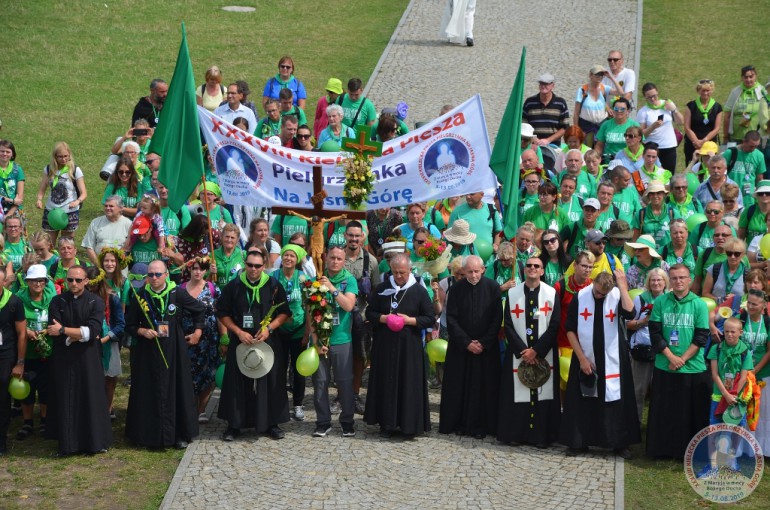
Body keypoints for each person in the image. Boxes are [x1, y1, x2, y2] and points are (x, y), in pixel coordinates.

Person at [125, 260, 205, 449]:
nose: (154, 278)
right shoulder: (140, 295)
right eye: (150, 275)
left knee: (176, 389)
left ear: (166, 275)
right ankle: (149, 436)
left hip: (174, 350)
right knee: (149, 390)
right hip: (148, 352)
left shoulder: (177, 293)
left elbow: (199, 310)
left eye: (158, 274)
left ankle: (178, 434)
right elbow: (129, 324)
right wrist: (141, 331)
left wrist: (197, 332)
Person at [561, 271, 639, 458]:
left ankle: (618, 442)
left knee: (614, 400)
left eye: (602, 294)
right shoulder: (580, 297)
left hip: (612, 359)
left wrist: (622, 286)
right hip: (584, 356)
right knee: (583, 400)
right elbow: (570, 329)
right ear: (593, 283)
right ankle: (579, 441)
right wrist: (582, 359)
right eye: (596, 291)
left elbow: (630, 312)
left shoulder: (616, 294)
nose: (598, 296)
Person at [364, 254, 434, 438]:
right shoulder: (382, 288)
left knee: (407, 384)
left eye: (402, 272)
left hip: (409, 347)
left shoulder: (419, 291)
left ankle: (408, 425)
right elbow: (370, 312)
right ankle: (387, 423)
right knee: (386, 383)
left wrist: (410, 320)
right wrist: (383, 318)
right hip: (385, 346)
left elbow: (429, 318)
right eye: (395, 272)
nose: (398, 276)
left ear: (410, 270)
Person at [46, 265, 112, 456]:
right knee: (66, 398)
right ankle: (68, 443)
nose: (73, 284)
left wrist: (64, 330)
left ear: (85, 281)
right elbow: (53, 330)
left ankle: (94, 442)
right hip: (64, 359)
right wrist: (74, 334)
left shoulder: (96, 302)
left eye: (77, 280)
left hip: (88, 359)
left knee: (90, 397)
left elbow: (92, 331)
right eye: (69, 280)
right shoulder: (57, 301)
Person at [647, 264, 710, 459]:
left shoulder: (699, 304)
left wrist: (681, 359)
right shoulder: (660, 302)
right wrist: (670, 357)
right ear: (669, 281)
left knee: (690, 414)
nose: (678, 281)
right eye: (674, 278)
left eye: (682, 277)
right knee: (666, 412)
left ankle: (691, 453)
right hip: (665, 366)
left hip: (692, 368)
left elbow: (701, 337)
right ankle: (663, 451)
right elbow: (655, 333)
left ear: (690, 279)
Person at [498, 256, 560, 448]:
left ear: (542, 271)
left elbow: (555, 324)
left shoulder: (551, 293)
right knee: (518, 395)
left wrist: (537, 351)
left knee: (544, 395)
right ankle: (516, 433)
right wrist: (523, 351)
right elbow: (507, 325)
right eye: (529, 266)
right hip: (519, 353)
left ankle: (542, 436)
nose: (532, 268)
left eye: (537, 266)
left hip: (544, 353)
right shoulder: (512, 293)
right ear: (524, 270)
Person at [439, 255, 502, 439]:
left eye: (477, 271)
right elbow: (451, 318)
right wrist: (466, 342)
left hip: (486, 349)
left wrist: (484, 342)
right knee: (459, 386)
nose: (473, 275)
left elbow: (497, 318)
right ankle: (458, 423)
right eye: (469, 272)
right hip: (462, 348)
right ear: (463, 272)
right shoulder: (456, 289)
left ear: (483, 269)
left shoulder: (492, 288)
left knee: (486, 387)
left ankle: (487, 424)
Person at [309, 245, 358, 438]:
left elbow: (349, 305)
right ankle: (323, 422)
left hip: (342, 339)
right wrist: (314, 340)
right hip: (321, 340)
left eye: (339, 258)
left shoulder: (349, 280)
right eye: (332, 258)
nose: (335, 261)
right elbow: (310, 313)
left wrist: (332, 289)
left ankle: (347, 421)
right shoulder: (316, 281)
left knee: (345, 382)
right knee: (320, 382)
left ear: (344, 260)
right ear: (326, 258)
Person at [343, 221, 380, 414]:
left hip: (362, 317)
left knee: (359, 358)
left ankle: (355, 395)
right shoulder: (334, 257)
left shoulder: (371, 261)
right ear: (345, 236)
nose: (354, 239)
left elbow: (376, 290)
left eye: (357, 236)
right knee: (339, 359)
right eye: (351, 235)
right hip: (338, 318)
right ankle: (341, 395)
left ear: (363, 237)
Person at [180, 257, 222, 424]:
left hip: (209, 338)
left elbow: (220, 314)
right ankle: (189, 408)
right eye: (195, 268)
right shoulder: (180, 289)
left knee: (207, 373)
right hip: (186, 337)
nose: (198, 272)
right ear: (189, 269)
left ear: (206, 271)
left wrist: (224, 337)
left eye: (201, 269)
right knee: (188, 373)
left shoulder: (213, 289)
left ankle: (201, 409)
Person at [15, 264, 55, 441]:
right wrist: (27, 332)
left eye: (40, 280)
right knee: (28, 387)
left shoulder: (53, 297)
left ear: (46, 282)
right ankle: (27, 422)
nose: (37, 284)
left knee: (46, 386)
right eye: (33, 280)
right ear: (27, 282)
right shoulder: (18, 299)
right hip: (27, 351)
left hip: (48, 350)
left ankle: (45, 420)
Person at [269, 244, 308, 421]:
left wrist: (308, 331)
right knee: (279, 368)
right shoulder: (273, 276)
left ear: (297, 259)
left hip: (298, 329)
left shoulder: (304, 278)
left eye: (292, 256)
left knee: (299, 369)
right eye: (285, 255)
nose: (288, 258)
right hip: (278, 329)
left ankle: (298, 404)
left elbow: (310, 306)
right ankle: (279, 404)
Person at [626, 268, 668, 424]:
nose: (656, 283)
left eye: (659, 280)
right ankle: (634, 425)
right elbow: (628, 325)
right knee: (638, 391)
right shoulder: (640, 299)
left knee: (659, 393)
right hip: (642, 350)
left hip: (662, 351)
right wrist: (643, 322)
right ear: (648, 283)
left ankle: (656, 426)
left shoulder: (670, 299)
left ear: (665, 283)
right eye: (653, 280)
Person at [84, 266, 124, 421]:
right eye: (89, 286)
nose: (91, 289)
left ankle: (107, 409)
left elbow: (120, 324)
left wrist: (106, 338)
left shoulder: (112, 298)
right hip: (88, 342)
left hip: (107, 341)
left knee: (109, 378)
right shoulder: (83, 297)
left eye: (94, 286)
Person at [35, 141, 87, 244]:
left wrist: (78, 201)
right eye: (60, 157)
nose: (63, 159)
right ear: (55, 157)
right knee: (48, 244)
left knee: (66, 244)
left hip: (69, 212)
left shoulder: (75, 170)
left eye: (66, 156)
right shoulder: (49, 169)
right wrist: (39, 199)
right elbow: (42, 188)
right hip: (51, 211)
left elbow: (84, 192)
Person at [740, 289, 770, 453]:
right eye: (749, 303)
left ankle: (761, 449)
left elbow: (769, 351)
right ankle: (742, 449)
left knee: (762, 412)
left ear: (763, 305)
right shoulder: (741, 319)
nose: (750, 306)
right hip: (742, 374)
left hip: (763, 373)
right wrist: (746, 371)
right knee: (742, 411)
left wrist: (755, 369)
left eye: (755, 304)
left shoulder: (768, 322)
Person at [0, 269, 26, 455]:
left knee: (2, 394)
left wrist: (20, 362)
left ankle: (1, 440)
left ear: (4, 282)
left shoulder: (14, 302)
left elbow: (21, 333)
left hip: (5, 354)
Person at [637, 83, 684, 171]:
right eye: (649, 97)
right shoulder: (643, 111)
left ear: (657, 92)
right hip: (652, 149)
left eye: (654, 96)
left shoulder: (667, 104)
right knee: (652, 175)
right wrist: (653, 127)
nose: (653, 99)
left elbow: (681, 122)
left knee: (669, 176)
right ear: (645, 97)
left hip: (669, 146)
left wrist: (674, 109)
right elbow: (641, 135)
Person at [722, 65, 768, 144]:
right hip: (736, 137)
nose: (748, 79)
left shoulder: (763, 91)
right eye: (745, 77)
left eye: (751, 76)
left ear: (755, 76)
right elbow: (727, 116)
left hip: (757, 138)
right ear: (742, 78)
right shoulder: (735, 92)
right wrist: (725, 136)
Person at [81, 196, 132, 266]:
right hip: (99, 268)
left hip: (120, 268)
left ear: (120, 208)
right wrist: (99, 266)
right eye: (106, 206)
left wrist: (116, 265)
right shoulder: (95, 222)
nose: (108, 208)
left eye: (111, 206)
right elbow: (89, 247)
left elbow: (129, 248)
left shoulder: (128, 224)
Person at [522, 73, 570, 146]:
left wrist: (548, 140)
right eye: (541, 84)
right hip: (532, 144)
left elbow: (565, 128)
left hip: (553, 145)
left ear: (552, 86)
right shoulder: (529, 102)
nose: (543, 86)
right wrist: (534, 139)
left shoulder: (561, 103)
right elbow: (523, 124)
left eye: (546, 84)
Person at [723, 130, 768, 208]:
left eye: (756, 146)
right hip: (730, 196)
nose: (753, 148)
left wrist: (759, 196)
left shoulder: (759, 155)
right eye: (751, 146)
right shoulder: (730, 153)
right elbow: (720, 171)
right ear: (744, 141)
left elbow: (759, 178)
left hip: (748, 198)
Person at [684, 79, 724, 163]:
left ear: (712, 90)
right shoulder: (691, 106)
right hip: (692, 144)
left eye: (708, 90)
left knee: (709, 168)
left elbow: (717, 128)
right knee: (692, 169)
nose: (705, 93)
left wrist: (703, 141)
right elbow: (687, 127)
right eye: (703, 90)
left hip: (709, 144)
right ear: (698, 91)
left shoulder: (717, 107)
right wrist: (696, 142)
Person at [573, 65, 614, 146]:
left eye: (601, 75)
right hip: (585, 126)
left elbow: (621, 92)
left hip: (601, 126)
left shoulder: (603, 88)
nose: (600, 77)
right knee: (585, 150)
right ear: (590, 75)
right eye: (597, 74)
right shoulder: (582, 90)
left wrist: (611, 77)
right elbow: (576, 113)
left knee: (599, 152)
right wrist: (576, 130)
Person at [702, 237, 748, 304]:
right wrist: (718, 299)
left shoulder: (748, 273)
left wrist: (737, 299)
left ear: (743, 254)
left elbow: (751, 297)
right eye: (729, 253)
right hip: (717, 310)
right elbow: (705, 293)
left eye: (737, 254)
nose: (733, 257)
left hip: (738, 311)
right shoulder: (714, 268)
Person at [594, 98, 640, 163]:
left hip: (628, 161)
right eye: (616, 109)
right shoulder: (606, 124)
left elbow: (640, 146)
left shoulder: (634, 125)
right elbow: (599, 145)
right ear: (613, 110)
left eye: (622, 109)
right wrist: (596, 159)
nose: (619, 111)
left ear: (628, 111)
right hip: (609, 161)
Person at [635, 181, 674, 248]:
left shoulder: (672, 213)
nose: (655, 196)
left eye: (659, 193)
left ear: (664, 194)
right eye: (652, 194)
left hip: (667, 254)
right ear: (648, 196)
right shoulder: (640, 214)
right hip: (646, 254)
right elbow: (635, 239)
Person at [0, 139, 24, 218]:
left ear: (12, 154)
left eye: (8, 152)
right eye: (2, 151)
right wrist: (12, 200)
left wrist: (9, 215)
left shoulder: (18, 170)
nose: (4, 154)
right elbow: (16, 200)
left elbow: (20, 196)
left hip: (15, 210)